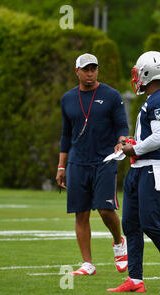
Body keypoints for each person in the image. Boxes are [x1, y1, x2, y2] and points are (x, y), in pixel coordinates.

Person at [107, 51, 160, 294]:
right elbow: (150, 136)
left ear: (148, 72)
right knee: (130, 224)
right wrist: (132, 144)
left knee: (152, 225)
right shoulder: (153, 98)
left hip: (153, 169)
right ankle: (135, 279)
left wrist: (134, 148)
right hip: (139, 170)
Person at [56, 53, 129, 276]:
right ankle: (88, 263)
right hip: (77, 163)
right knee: (81, 212)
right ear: (76, 71)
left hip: (105, 160)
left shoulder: (112, 95)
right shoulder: (67, 98)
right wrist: (61, 166)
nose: (90, 73)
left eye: (93, 69)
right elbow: (65, 134)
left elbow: (122, 126)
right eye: (86, 69)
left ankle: (119, 242)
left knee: (106, 209)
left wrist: (121, 142)